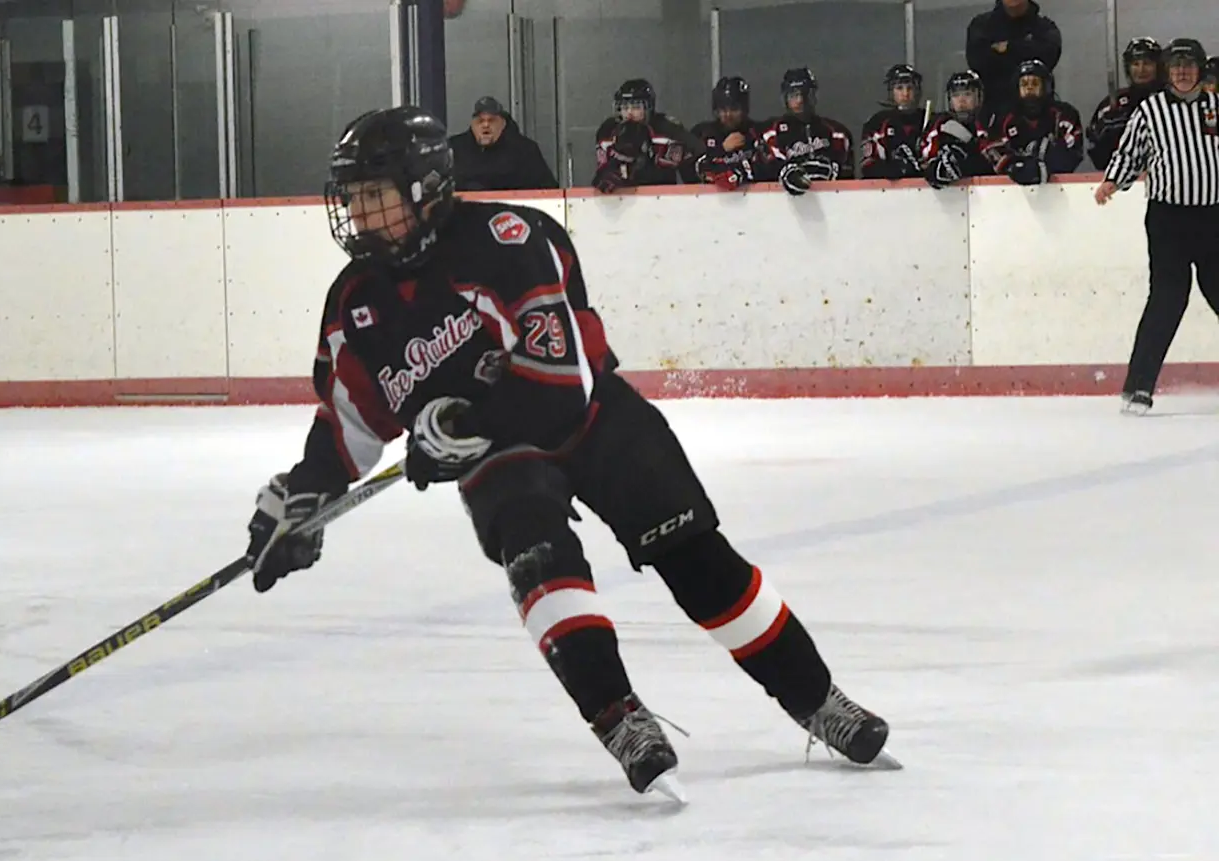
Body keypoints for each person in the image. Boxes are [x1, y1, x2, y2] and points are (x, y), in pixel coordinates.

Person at [245, 106, 896, 800]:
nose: (359, 214)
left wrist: (467, 418)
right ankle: (620, 717)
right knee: (538, 555)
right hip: (499, 456)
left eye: (374, 195)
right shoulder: (354, 306)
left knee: (700, 563)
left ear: (427, 186)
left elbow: (563, 381)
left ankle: (817, 697)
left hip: (594, 420)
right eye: (352, 198)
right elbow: (351, 421)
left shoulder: (509, 238)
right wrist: (305, 494)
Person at [1096, 38, 1219, 416]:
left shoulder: (1216, 107)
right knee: (1167, 300)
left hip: (1214, 218)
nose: (1183, 71)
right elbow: (1130, 152)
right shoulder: (1150, 110)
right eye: (1176, 65)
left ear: (1200, 69)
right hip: (1168, 219)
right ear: (1168, 70)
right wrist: (1112, 181)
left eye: (1189, 64)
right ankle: (1138, 387)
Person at [757, 68, 855, 196]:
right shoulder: (771, 133)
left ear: (814, 95)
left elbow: (848, 173)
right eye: (793, 95)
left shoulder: (837, 132)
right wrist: (789, 173)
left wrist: (833, 171)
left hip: (832, 203)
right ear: (785, 98)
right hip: (784, 204)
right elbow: (770, 168)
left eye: (805, 93)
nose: (800, 100)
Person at [592, 79, 702, 191]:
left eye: (636, 107)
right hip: (623, 200)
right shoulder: (608, 131)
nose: (629, 113)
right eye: (625, 107)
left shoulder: (666, 129)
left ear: (648, 108)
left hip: (661, 197)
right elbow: (601, 172)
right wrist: (606, 175)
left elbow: (695, 157)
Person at [990, 59, 1084, 185]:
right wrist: (1015, 167)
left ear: (1046, 86)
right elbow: (994, 153)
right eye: (1024, 84)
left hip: (1060, 189)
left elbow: (1074, 153)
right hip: (1011, 192)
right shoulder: (1004, 118)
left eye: (1034, 83)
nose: (1029, 88)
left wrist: (1046, 163)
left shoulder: (1064, 114)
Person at [966, 0, 1062, 119]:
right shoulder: (981, 26)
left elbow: (1048, 55)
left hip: (1038, 120)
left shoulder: (1045, 28)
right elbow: (978, 61)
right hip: (993, 118)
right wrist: (1026, 50)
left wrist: (1010, 48)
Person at [448, 96, 557, 192]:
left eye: (491, 120)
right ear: (472, 124)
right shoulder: (455, 149)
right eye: (480, 121)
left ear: (503, 124)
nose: (485, 125)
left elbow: (548, 191)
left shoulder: (524, 150)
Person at [923, 71, 1010, 188]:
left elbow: (1001, 162)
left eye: (967, 94)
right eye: (956, 95)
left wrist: (970, 162)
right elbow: (925, 161)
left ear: (979, 97)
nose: (961, 100)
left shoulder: (992, 123)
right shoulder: (940, 126)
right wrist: (937, 170)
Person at [1088, 38, 1164, 171]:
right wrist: (1107, 139)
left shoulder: (1169, 101)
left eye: (1147, 63)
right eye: (1135, 63)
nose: (1141, 69)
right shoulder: (1112, 104)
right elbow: (1098, 158)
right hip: (1121, 182)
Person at [691, 76, 763, 189]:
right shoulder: (703, 133)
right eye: (723, 109)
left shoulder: (757, 132)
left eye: (734, 109)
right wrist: (721, 149)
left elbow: (769, 169)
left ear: (744, 109)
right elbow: (690, 171)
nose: (728, 115)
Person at [861, 65, 930, 181]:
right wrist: (894, 169)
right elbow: (868, 166)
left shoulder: (931, 120)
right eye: (899, 88)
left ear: (917, 91)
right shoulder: (877, 122)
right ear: (891, 92)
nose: (905, 94)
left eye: (910, 88)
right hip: (888, 193)